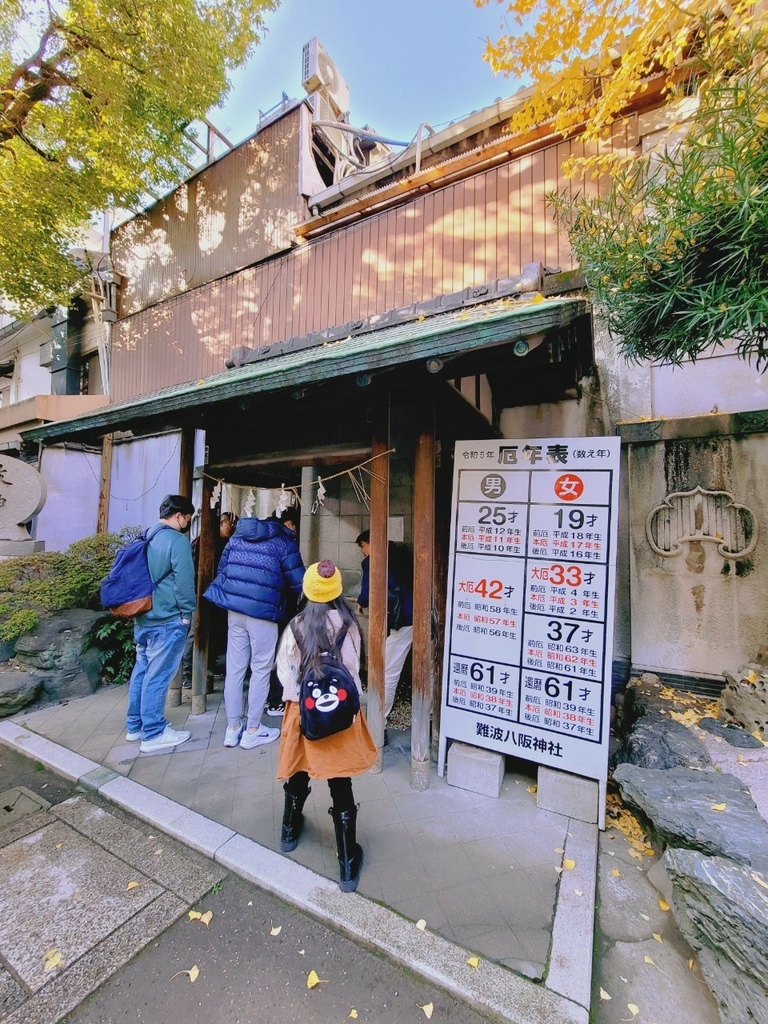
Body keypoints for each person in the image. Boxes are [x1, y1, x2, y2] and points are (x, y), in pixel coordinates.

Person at [275, 559, 376, 892]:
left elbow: (284, 672)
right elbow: (352, 670)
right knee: (339, 780)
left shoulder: (296, 626)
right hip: (339, 716)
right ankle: (347, 862)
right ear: (336, 592)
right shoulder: (349, 625)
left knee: (300, 768)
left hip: (303, 711)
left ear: (307, 591)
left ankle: (289, 832)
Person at [204, 512, 305, 748]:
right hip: (264, 612)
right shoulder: (283, 542)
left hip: (235, 611)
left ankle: (232, 729)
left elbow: (223, 569)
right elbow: (299, 582)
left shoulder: (236, 539)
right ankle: (252, 729)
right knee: (260, 668)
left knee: (235, 667)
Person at [125, 494, 196, 753]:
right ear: (178, 516)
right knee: (158, 676)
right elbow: (185, 581)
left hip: (143, 616)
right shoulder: (176, 541)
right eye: (188, 518)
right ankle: (153, 733)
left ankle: (135, 726)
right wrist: (188, 613)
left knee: (142, 671)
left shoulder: (146, 535)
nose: (188, 523)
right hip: (168, 618)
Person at [355, 530, 414, 723]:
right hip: (421, 615)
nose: (363, 552)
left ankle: (379, 718)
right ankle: (429, 709)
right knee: (428, 666)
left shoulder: (373, 561)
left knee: (387, 668)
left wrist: (361, 603)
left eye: (363, 547)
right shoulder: (402, 554)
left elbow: (366, 593)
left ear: (369, 544)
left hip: (404, 619)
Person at [181, 512, 237, 690]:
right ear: (222, 523)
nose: (233, 528)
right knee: (195, 632)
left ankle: (209, 665)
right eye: (231, 524)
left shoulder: (230, 543)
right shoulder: (201, 542)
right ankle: (187, 672)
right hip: (200, 594)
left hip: (220, 595)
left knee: (216, 630)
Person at [266, 506, 301, 717]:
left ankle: (262, 700)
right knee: (281, 654)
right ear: (289, 524)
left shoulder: (255, 541)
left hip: (249, 611)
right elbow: (298, 580)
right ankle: (276, 700)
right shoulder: (286, 544)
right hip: (279, 607)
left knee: (261, 658)